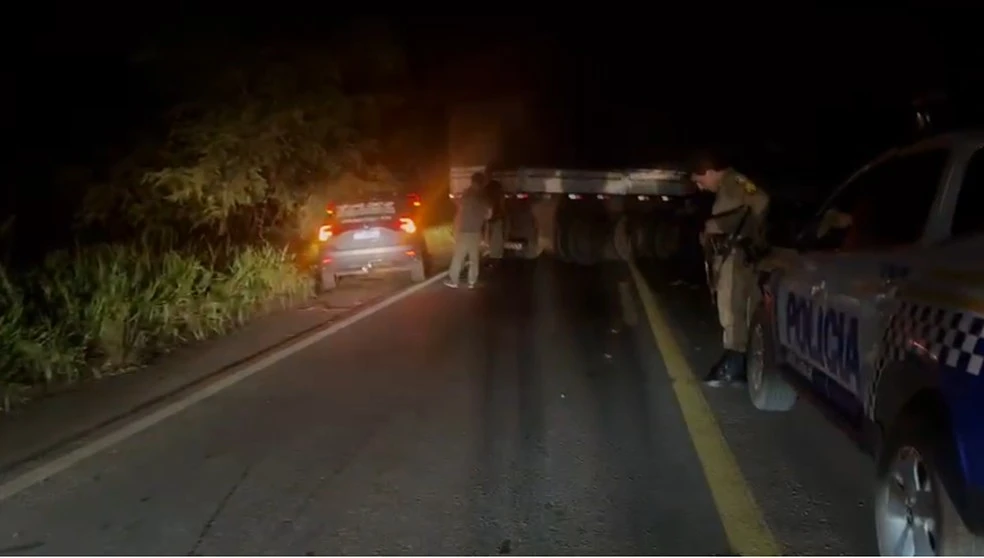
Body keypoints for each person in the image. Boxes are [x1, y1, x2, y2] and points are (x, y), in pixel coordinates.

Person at [690, 151, 770, 387]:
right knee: (734, 308)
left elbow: (761, 200)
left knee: (732, 308)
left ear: (709, 171)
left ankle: (735, 364)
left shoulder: (736, 181)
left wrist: (724, 224)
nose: (701, 187)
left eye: (699, 180)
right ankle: (739, 362)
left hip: (736, 256)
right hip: (730, 255)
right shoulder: (729, 184)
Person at [446, 171, 493, 289]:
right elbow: (489, 215)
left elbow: (459, 210)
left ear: (472, 182)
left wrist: (454, 228)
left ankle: (454, 280)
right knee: (474, 258)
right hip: (476, 231)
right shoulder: (484, 197)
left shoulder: (466, 195)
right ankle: (472, 281)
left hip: (464, 231)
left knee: (458, 256)